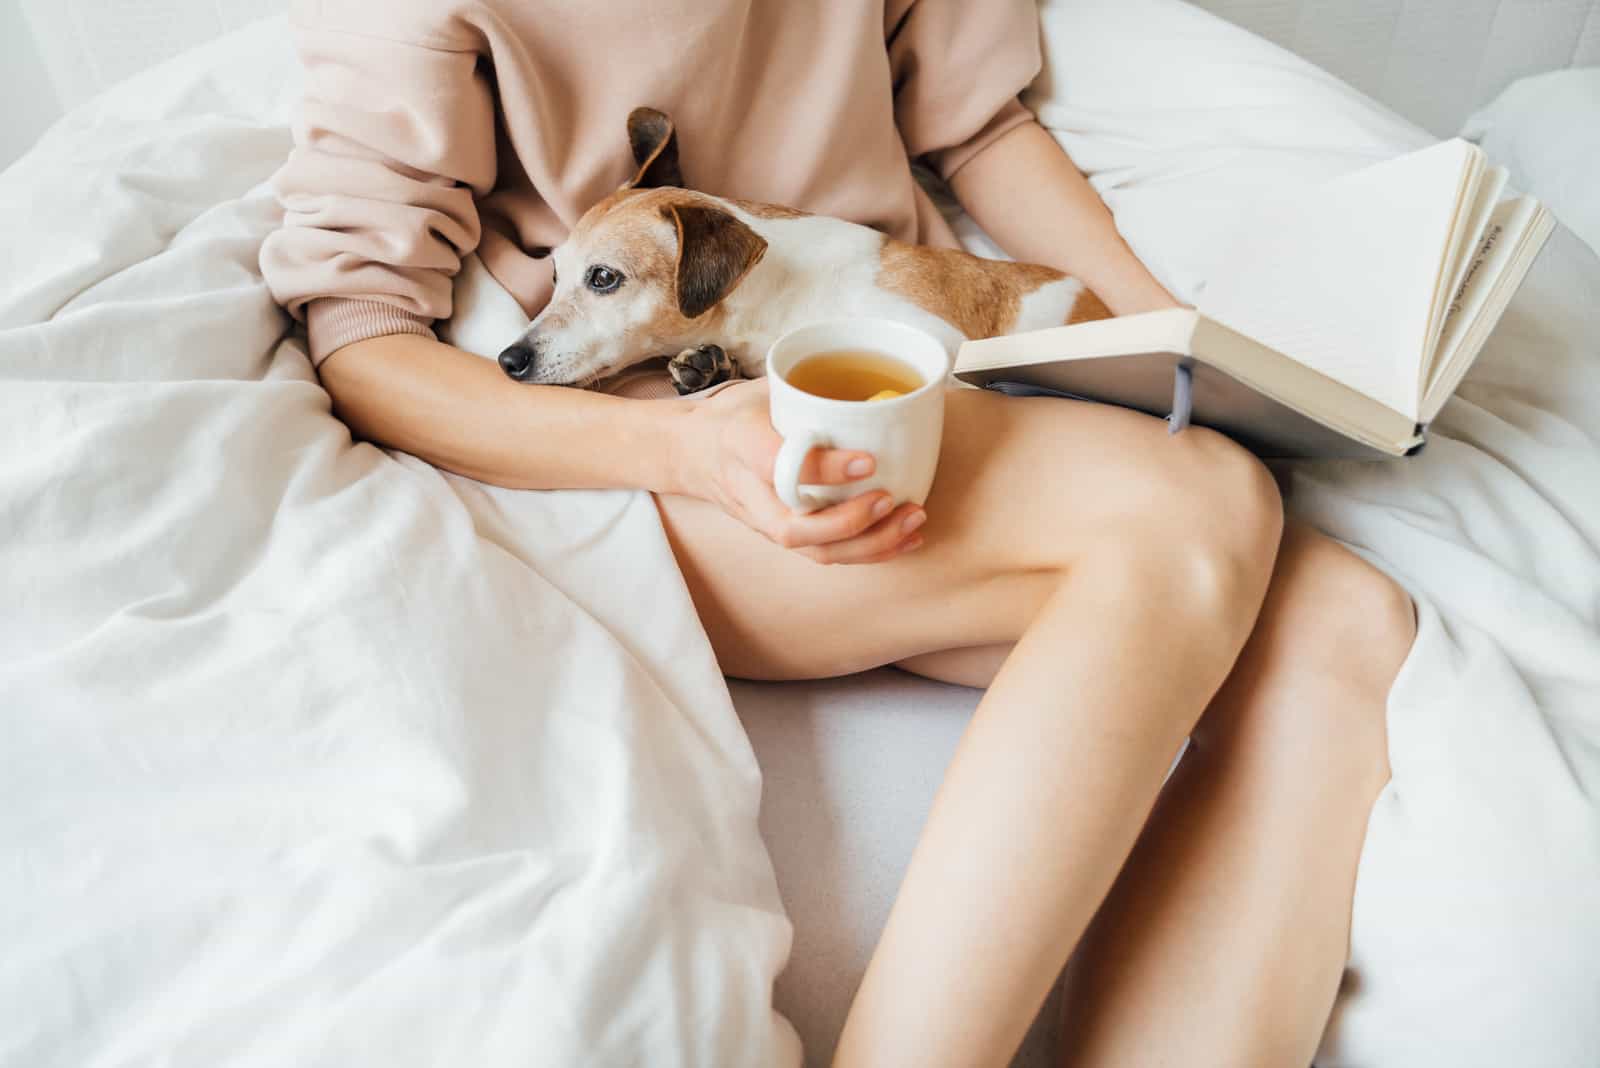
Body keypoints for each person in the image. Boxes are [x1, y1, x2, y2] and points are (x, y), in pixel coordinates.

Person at [261, 2, 1417, 1064]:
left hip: (883, 364)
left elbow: (974, 130)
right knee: (1197, 504)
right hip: (643, 438)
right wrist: (682, 450)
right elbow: (362, 332)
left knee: (1342, 625)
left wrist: (1171, 341)